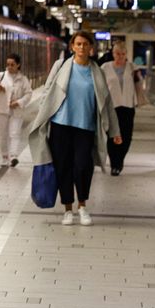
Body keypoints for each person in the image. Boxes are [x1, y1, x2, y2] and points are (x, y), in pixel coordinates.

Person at [28, 31, 121, 226]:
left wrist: (115, 131)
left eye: (85, 44)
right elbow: (47, 92)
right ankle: (68, 209)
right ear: (72, 46)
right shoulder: (60, 66)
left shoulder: (97, 72)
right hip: (61, 126)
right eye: (77, 44)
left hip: (85, 128)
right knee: (63, 168)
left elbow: (107, 102)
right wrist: (43, 117)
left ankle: (83, 206)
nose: (81, 47)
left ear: (91, 48)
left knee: (82, 166)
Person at [103, 40, 140, 176]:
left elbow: (139, 84)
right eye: (117, 53)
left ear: (126, 54)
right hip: (111, 106)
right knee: (112, 135)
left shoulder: (132, 67)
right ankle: (114, 164)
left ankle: (120, 160)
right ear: (113, 53)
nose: (120, 56)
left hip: (128, 106)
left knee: (126, 136)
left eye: (123, 54)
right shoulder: (105, 68)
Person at [0, 53, 32, 168]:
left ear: (18, 65)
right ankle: (5, 157)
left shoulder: (23, 79)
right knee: (3, 134)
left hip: (16, 111)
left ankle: (14, 156)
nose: (9, 67)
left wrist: (19, 102)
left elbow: (29, 94)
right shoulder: (1, 76)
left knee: (14, 133)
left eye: (12, 64)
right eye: (8, 64)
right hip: (2, 110)